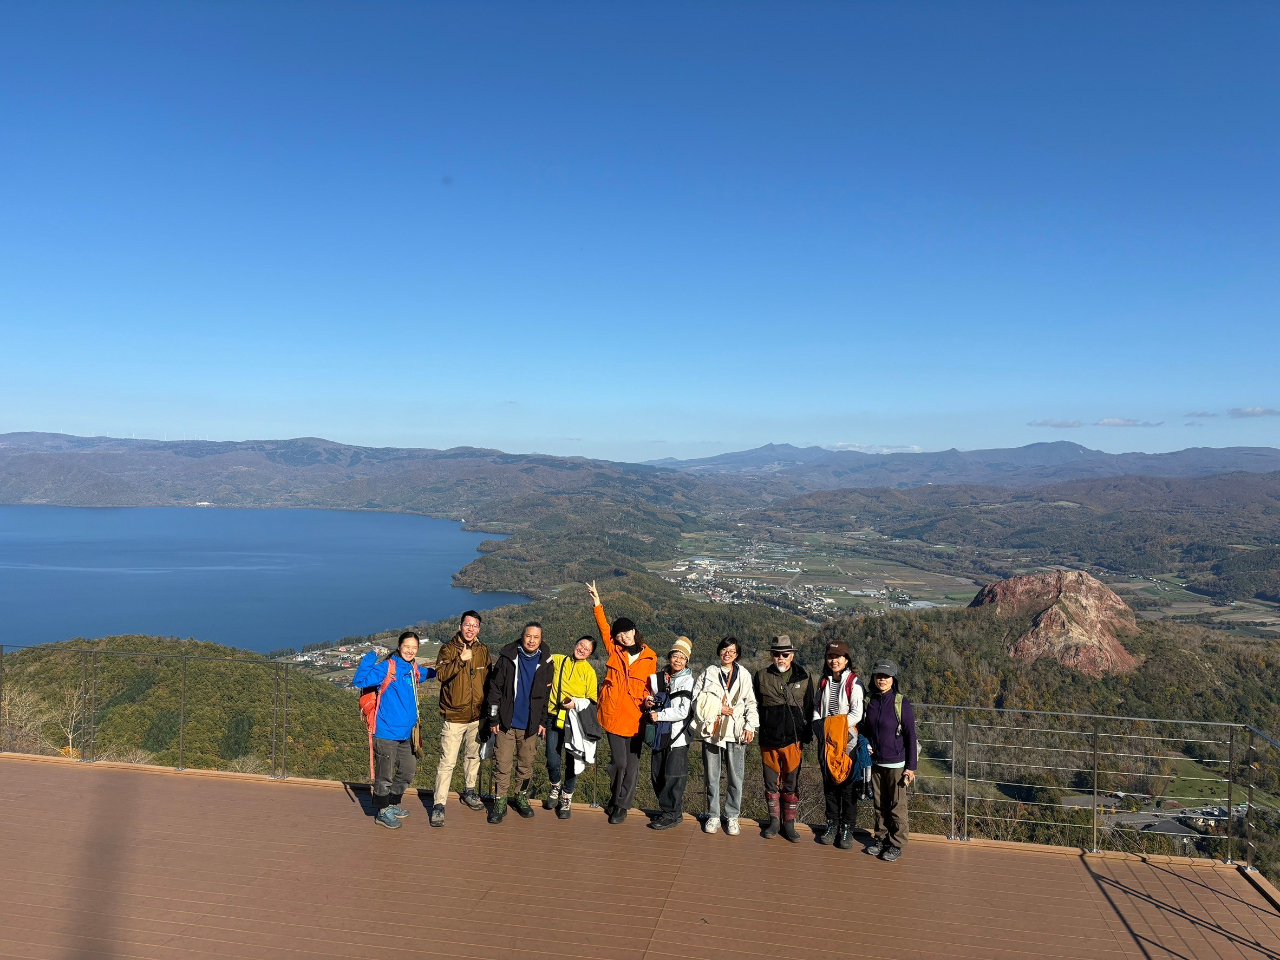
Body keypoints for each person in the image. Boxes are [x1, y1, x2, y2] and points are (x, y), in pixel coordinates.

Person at [586, 580, 658, 824]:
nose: (624, 637)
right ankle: (615, 797)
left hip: (636, 717)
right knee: (619, 763)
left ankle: (622, 805)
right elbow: (603, 627)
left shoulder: (650, 657)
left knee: (632, 766)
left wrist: (650, 700)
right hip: (613, 714)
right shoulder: (614, 650)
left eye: (627, 632)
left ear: (635, 630)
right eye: (619, 634)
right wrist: (597, 602)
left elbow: (651, 686)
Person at [352, 630, 435, 830]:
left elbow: (430, 673)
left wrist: (450, 669)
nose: (410, 650)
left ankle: (391, 803)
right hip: (386, 733)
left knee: (408, 770)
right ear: (399, 647)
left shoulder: (412, 668)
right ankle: (382, 811)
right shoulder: (388, 667)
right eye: (407, 646)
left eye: (414, 648)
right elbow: (360, 681)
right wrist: (371, 655)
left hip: (407, 734)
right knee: (384, 775)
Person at [484, 622, 555, 823]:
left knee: (526, 764)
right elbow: (494, 690)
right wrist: (493, 717)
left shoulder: (546, 662)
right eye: (528, 636)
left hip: (530, 725)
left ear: (541, 640)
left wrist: (542, 721)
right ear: (522, 637)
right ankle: (500, 800)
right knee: (503, 764)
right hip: (506, 723)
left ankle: (521, 797)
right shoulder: (507, 658)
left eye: (536, 637)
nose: (531, 641)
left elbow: (545, 696)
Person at [689, 636, 758, 836]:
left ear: (737, 654)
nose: (727, 654)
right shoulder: (709, 673)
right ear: (719, 651)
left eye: (732, 651)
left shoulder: (744, 675)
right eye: (724, 650)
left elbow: (751, 703)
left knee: (736, 777)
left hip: (735, 732)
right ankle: (713, 815)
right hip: (712, 731)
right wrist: (718, 707)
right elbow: (696, 700)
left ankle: (732, 816)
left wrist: (750, 726)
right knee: (712, 776)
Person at [431, 610, 491, 827]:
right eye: (467, 625)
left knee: (473, 757)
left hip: (477, 716)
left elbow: (489, 680)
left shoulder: (483, 650)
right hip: (454, 716)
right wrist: (460, 659)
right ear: (459, 626)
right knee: (447, 762)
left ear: (479, 629)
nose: (470, 629)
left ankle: (470, 791)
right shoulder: (448, 649)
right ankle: (439, 804)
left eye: (475, 626)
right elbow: (441, 675)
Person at [753, 635, 814, 842]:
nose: (781, 658)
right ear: (771, 655)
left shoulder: (804, 676)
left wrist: (807, 735)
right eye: (777, 654)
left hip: (793, 740)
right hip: (768, 739)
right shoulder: (760, 676)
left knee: (791, 784)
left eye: (785, 654)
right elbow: (755, 706)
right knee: (771, 783)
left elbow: (809, 707)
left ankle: (789, 823)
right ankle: (774, 821)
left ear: (792, 655)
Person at [862, 659, 917, 862]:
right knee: (879, 804)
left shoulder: (901, 702)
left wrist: (910, 767)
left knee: (897, 805)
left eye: (886, 676)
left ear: (893, 679)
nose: (882, 680)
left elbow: (911, 735)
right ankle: (881, 838)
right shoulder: (870, 700)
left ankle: (896, 843)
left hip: (896, 764)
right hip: (875, 762)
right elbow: (864, 729)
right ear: (874, 678)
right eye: (879, 676)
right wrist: (865, 744)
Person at [812, 640, 865, 849]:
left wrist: (833, 727)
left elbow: (857, 714)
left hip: (847, 742)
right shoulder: (823, 681)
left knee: (847, 786)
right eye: (830, 657)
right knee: (830, 786)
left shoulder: (854, 682)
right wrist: (819, 725)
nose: (834, 660)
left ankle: (847, 829)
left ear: (846, 659)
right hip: (826, 742)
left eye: (838, 657)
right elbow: (817, 706)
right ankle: (831, 824)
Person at [543, 634, 599, 819]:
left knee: (572, 761)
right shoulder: (560, 660)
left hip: (574, 720)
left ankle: (566, 797)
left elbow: (592, 700)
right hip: (553, 716)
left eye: (587, 649)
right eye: (581, 645)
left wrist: (575, 703)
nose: (582, 649)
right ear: (575, 644)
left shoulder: (589, 672)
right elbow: (540, 657)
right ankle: (555, 785)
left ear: (590, 654)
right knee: (552, 758)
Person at [645, 636, 695, 830]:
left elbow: (683, 711)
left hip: (677, 737)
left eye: (682, 658)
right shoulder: (660, 677)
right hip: (660, 735)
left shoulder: (687, 681)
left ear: (687, 661)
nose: (678, 661)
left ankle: (671, 814)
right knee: (657, 775)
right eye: (675, 656)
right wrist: (650, 701)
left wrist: (660, 714)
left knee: (674, 776)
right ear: (670, 657)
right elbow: (654, 697)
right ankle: (672, 811)